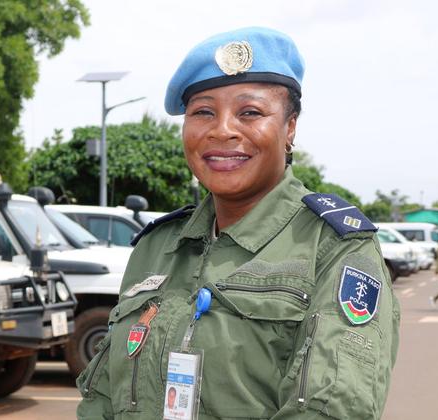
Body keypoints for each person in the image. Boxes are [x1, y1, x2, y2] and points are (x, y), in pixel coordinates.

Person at [76, 27, 400, 419]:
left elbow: (331, 408)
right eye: (203, 112)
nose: (222, 129)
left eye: (250, 112)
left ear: (290, 128)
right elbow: (102, 400)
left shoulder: (335, 248)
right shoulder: (156, 247)